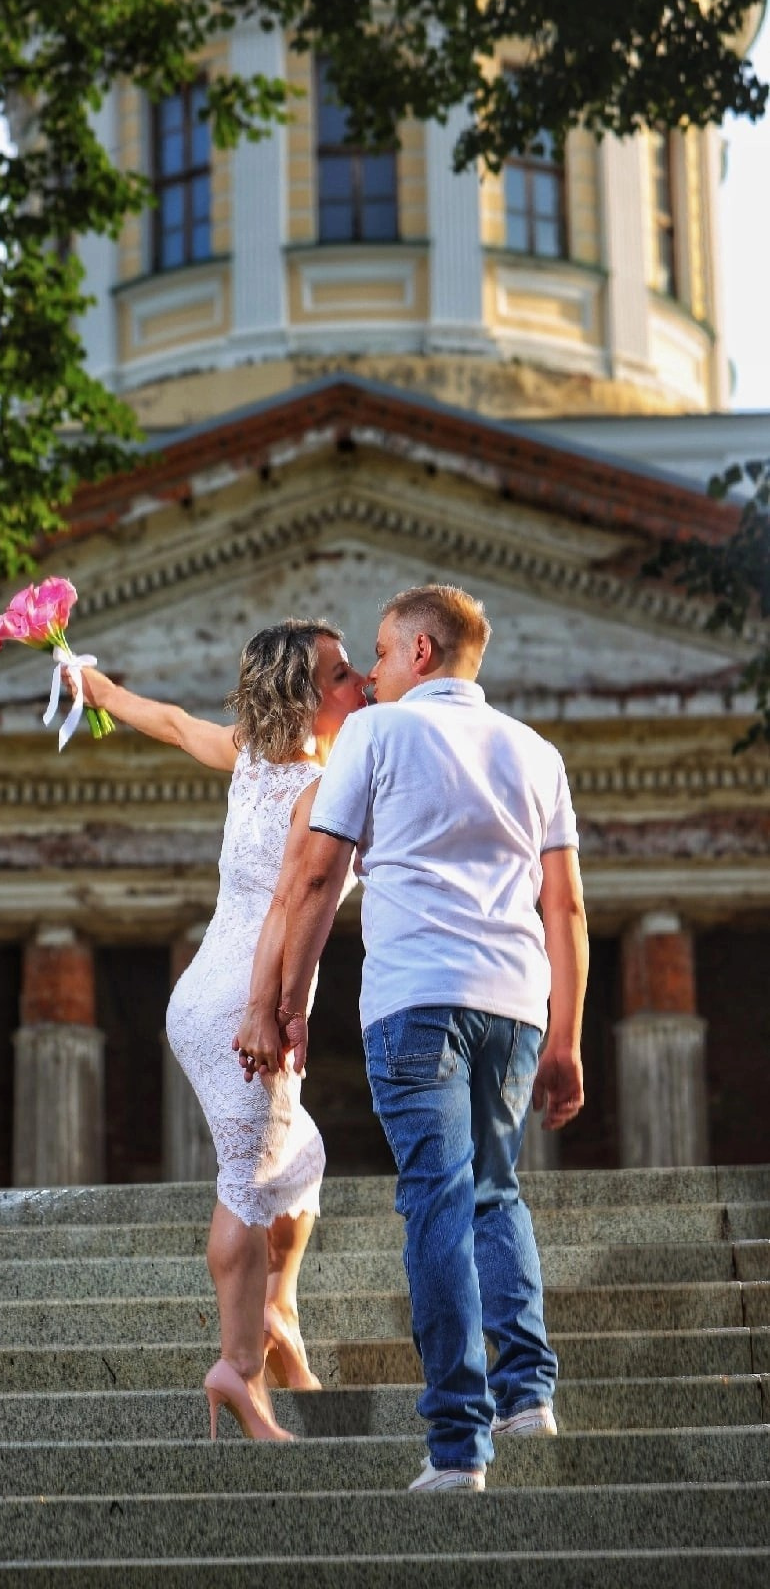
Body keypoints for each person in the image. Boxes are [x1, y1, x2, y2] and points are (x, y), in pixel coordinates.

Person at [236, 584, 588, 1489]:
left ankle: (458, 1445)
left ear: (420, 653)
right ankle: (528, 1395)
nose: (373, 674)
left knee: (436, 1198)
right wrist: (567, 1038)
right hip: (515, 1006)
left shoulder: (374, 736)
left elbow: (316, 879)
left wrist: (290, 1004)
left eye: (383, 656)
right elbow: (567, 906)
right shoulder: (535, 751)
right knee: (495, 1195)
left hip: (415, 1001)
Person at [68, 620, 367, 1441]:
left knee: (299, 1160)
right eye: (341, 676)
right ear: (306, 695)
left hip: (206, 990)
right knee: (244, 1179)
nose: (361, 684)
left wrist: (95, 688)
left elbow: (167, 720)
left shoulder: (250, 755)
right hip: (243, 999)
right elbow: (284, 907)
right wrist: (262, 1012)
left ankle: (277, 1319)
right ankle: (236, 1369)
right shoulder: (314, 789)